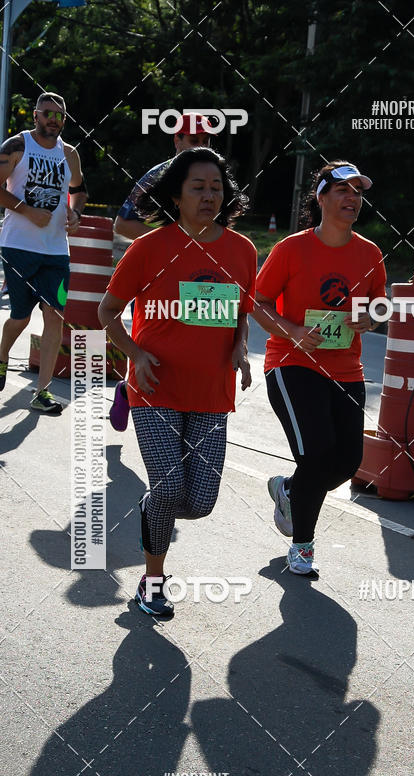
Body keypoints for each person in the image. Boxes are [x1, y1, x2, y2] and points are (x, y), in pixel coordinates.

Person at [99, 147, 256, 617]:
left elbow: (240, 314)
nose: (209, 196)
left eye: (216, 187)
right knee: (169, 488)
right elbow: (108, 311)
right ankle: (152, 582)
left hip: (211, 393)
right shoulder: (150, 248)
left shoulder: (242, 250)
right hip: (155, 389)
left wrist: (240, 347)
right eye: (198, 187)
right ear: (176, 195)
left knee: (201, 502)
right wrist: (135, 354)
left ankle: (153, 510)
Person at [252, 161, 386, 577]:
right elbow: (257, 302)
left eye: (357, 192)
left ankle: (290, 490)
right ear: (322, 197)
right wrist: (292, 331)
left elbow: (379, 303)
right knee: (315, 453)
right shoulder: (291, 249)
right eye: (343, 190)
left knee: (346, 463)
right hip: (292, 362)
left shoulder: (369, 253)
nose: (352, 198)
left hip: (346, 369)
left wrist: (371, 318)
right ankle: (302, 546)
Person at [109, 113, 211, 432]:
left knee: (194, 345)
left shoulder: (216, 177)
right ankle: (129, 390)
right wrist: (171, 243)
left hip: (200, 276)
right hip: (157, 277)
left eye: (206, 141)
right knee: (155, 349)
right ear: (176, 140)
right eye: (193, 140)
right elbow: (122, 224)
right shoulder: (158, 177)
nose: (201, 146)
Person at [0, 92, 87, 413]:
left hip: (56, 252)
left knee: (55, 315)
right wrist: (25, 209)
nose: (53, 119)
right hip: (18, 248)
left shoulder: (69, 153)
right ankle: (2, 355)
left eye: (59, 115)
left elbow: (79, 190)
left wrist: (75, 213)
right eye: (47, 113)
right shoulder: (17, 146)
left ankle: (42, 392)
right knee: (20, 318)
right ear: (36, 115)